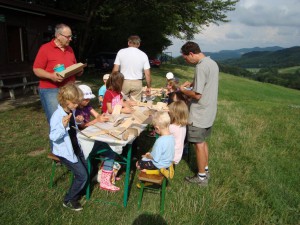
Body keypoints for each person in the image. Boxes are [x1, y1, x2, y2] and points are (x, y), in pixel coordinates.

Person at [179, 41, 219, 186]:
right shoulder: (211, 63)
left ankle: (201, 178)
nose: (187, 61)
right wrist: (193, 82)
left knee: (198, 144)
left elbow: (197, 95)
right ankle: (205, 169)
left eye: (185, 58)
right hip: (209, 111)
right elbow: (205, 83)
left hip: (199, 113)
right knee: (203, 142)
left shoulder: (200, 67)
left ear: (191, 54)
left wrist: (183, 90)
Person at [33, 23, 83, 124]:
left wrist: (79, 70)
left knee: (70, 119)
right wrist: (51, 76)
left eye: (71, 36)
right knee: (57, 121)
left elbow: (73, 66)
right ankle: (59, 139)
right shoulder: (45, 48)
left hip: (69, 90)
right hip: (51, 90)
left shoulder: (70, 49)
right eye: (68, 36)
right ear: (58, 35)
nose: (70, 39)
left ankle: (69, 139)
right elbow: (36, 69)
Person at [75, 84, 120, 192]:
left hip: (90, 137)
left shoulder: (87, 106)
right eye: (86, 99)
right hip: (83, 142)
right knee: (110, 149)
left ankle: (107, 172)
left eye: (89, 99)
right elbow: (82, 127)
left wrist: (102, 117)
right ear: (79, 99)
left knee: (109, 147)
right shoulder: (76, 111)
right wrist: (97, 121)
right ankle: (105, 180)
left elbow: (96, 115)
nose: (88, 101)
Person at [49, 83, 87, 211]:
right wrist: (62, 126)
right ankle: (69, 199)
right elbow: (53, 137)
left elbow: (72, 127)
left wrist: (78, 120)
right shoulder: (57, 116)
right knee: (82, 175)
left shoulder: (71, 110)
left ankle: (79, 189)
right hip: (65, 152)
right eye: (75, 102)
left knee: (88, 168)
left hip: (75, 147)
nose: (77, 105)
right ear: (66, 101)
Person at [112, 35, 151, 101]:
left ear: (128, 43)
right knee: (135, 105)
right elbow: (147, 74)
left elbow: (115, 69)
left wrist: (112, 82)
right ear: (139, 44)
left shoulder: (121, 52)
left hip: (123, 81)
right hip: (137, 82)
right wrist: (148, 86)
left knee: (120, 103)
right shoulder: (143, 55)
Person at [168, 100, 189, 165]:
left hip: (170, 156)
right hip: (177, 155)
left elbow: (161, 132)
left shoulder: (171, 127)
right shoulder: (183, 125)